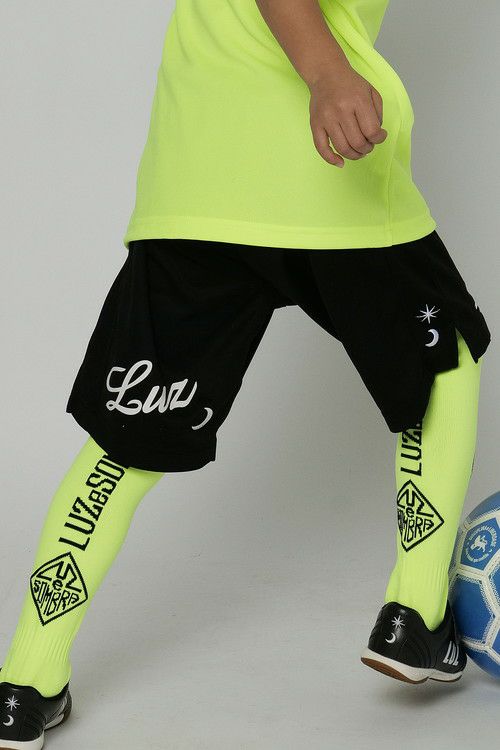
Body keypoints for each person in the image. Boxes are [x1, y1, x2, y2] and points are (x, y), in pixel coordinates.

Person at [0, 0, 492, 745]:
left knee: (126, 443)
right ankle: (415, 615)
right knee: (441, 362)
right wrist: (327, 75)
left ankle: (26, 682)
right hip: (324, 163)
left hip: (199, 172)